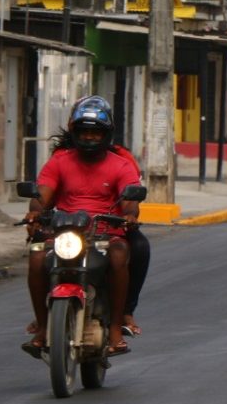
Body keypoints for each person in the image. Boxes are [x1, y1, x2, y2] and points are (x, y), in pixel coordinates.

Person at [23, 96, 141, 358]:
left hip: (105, 232)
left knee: (120, 254)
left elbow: (131, 200)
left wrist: (129, 215)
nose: (89, 137)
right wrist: (35, 211)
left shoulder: (120, 165)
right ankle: (42, 328)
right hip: (65, 231)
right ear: (75, 132)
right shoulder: (59, 161)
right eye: (84, 131)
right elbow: (42, 193)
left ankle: (115, 327)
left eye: (95, 132)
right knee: (36, 257)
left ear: (106, 134)